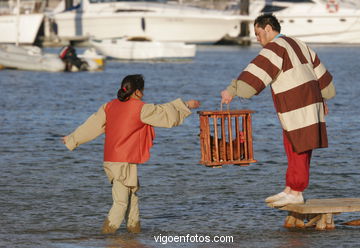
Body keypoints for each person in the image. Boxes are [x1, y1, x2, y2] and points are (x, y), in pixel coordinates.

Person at [220, 14, 336, 207]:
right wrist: (323, 98)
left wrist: (232, 90)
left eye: (258, 33)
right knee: (294, 144)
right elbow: (321, 75)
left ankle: (297, 191)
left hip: (298, 103)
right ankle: (290, 188)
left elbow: (255, 74)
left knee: (298, 146)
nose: (257, 39)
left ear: (268, 28)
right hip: (308, 101)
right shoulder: (299, 43)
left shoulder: (275, 47)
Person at [63, 74, 200, 234]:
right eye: (142, 90)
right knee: (121, 202)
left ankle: (134, 232)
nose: (143, 93)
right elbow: (164, 114)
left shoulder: (108, 106)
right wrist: (186, 105)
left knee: (132, 196)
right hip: (124, 160)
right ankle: (105, 236)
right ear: (137, 92)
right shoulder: (140, 108)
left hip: (111, 159)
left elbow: (92, 125)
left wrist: (72, 138)